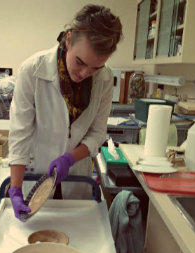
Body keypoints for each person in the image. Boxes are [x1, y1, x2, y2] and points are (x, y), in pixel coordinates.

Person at [8, 4, 122, 220]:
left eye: (95, 67)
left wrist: (70, 158)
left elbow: (98, 133)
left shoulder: (105, 78)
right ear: (68, 39)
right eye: (80, 62)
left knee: (76, 236)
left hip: (77, 176)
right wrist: (15, 188)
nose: (85, 73)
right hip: (36, 173)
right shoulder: (32, 70)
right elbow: (19, 135)